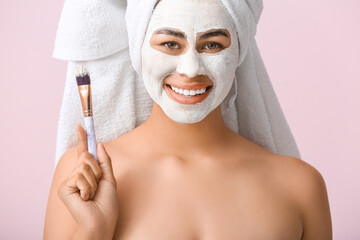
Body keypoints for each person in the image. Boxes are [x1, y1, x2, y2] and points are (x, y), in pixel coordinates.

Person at [44, 0, 332, 239]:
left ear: (239, 53)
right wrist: (93, 230)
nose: (191, 69)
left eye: (212, 45)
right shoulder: (82, 179)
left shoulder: (300, 186)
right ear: (138, 50)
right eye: (170, 43)